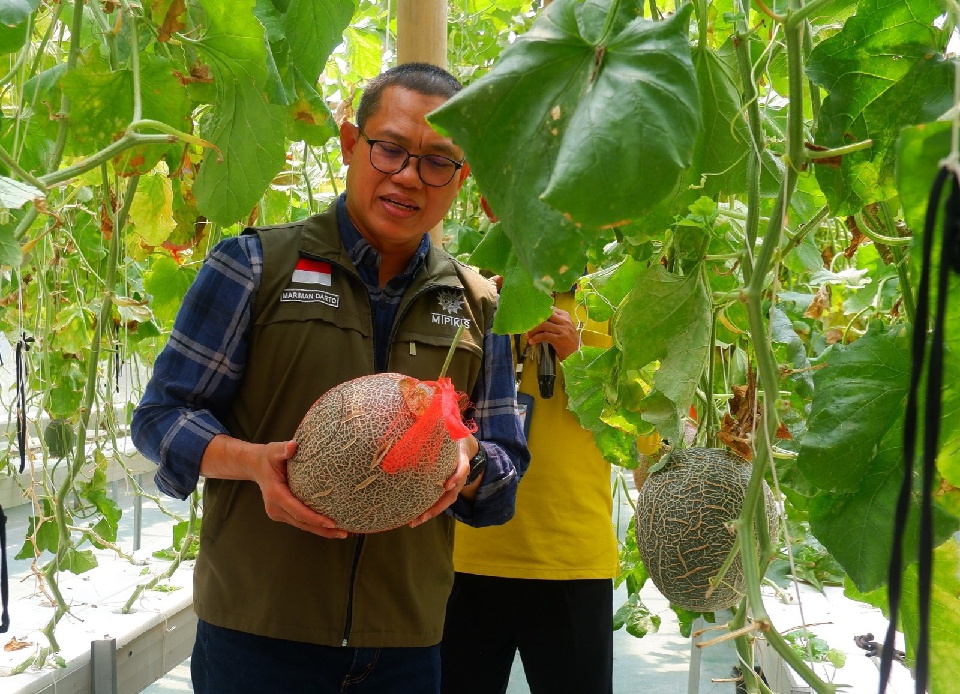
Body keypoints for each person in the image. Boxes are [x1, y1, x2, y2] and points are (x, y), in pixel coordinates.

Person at [131, 63, 529, 694]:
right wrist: (256, 462)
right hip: (257, 636)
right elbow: (160, 417)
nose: (407, 176)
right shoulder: (253, 265)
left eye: (437, 161)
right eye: (390, 148)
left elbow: (505, 472)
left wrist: (467, 458)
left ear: (461, 175)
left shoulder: (481, 304)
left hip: (405, 644)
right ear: (351, 144)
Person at [441, 207, 618, 694]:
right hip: (466, 553)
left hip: (569, 558)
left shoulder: (608, 304)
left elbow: (641, 437)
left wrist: (580, 359)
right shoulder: (474, 299)